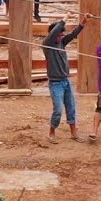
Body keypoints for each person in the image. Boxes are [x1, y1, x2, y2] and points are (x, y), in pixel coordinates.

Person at [42, 15, 88, 143]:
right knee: (58, 109)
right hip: (55, 83)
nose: (62, 36)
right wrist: (65, 18)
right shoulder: (47, 44)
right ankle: (51, 132)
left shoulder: (61, 42)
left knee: (71, 106)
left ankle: (74, 132)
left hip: (65, 81)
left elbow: (73, 34)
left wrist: (83, 22)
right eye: (60, 34)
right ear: (53, 34)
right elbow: (55, 31)